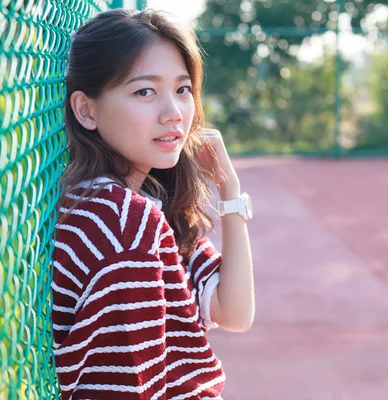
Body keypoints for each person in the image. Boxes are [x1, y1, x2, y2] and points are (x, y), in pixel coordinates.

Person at [51, 8, 255, 400]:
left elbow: (234, 312)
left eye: (182, 90)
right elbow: (126, 388)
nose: (174, 114)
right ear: (86, 110)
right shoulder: (122, 220)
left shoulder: (145, 203)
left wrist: (230, 189)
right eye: (144, 91)